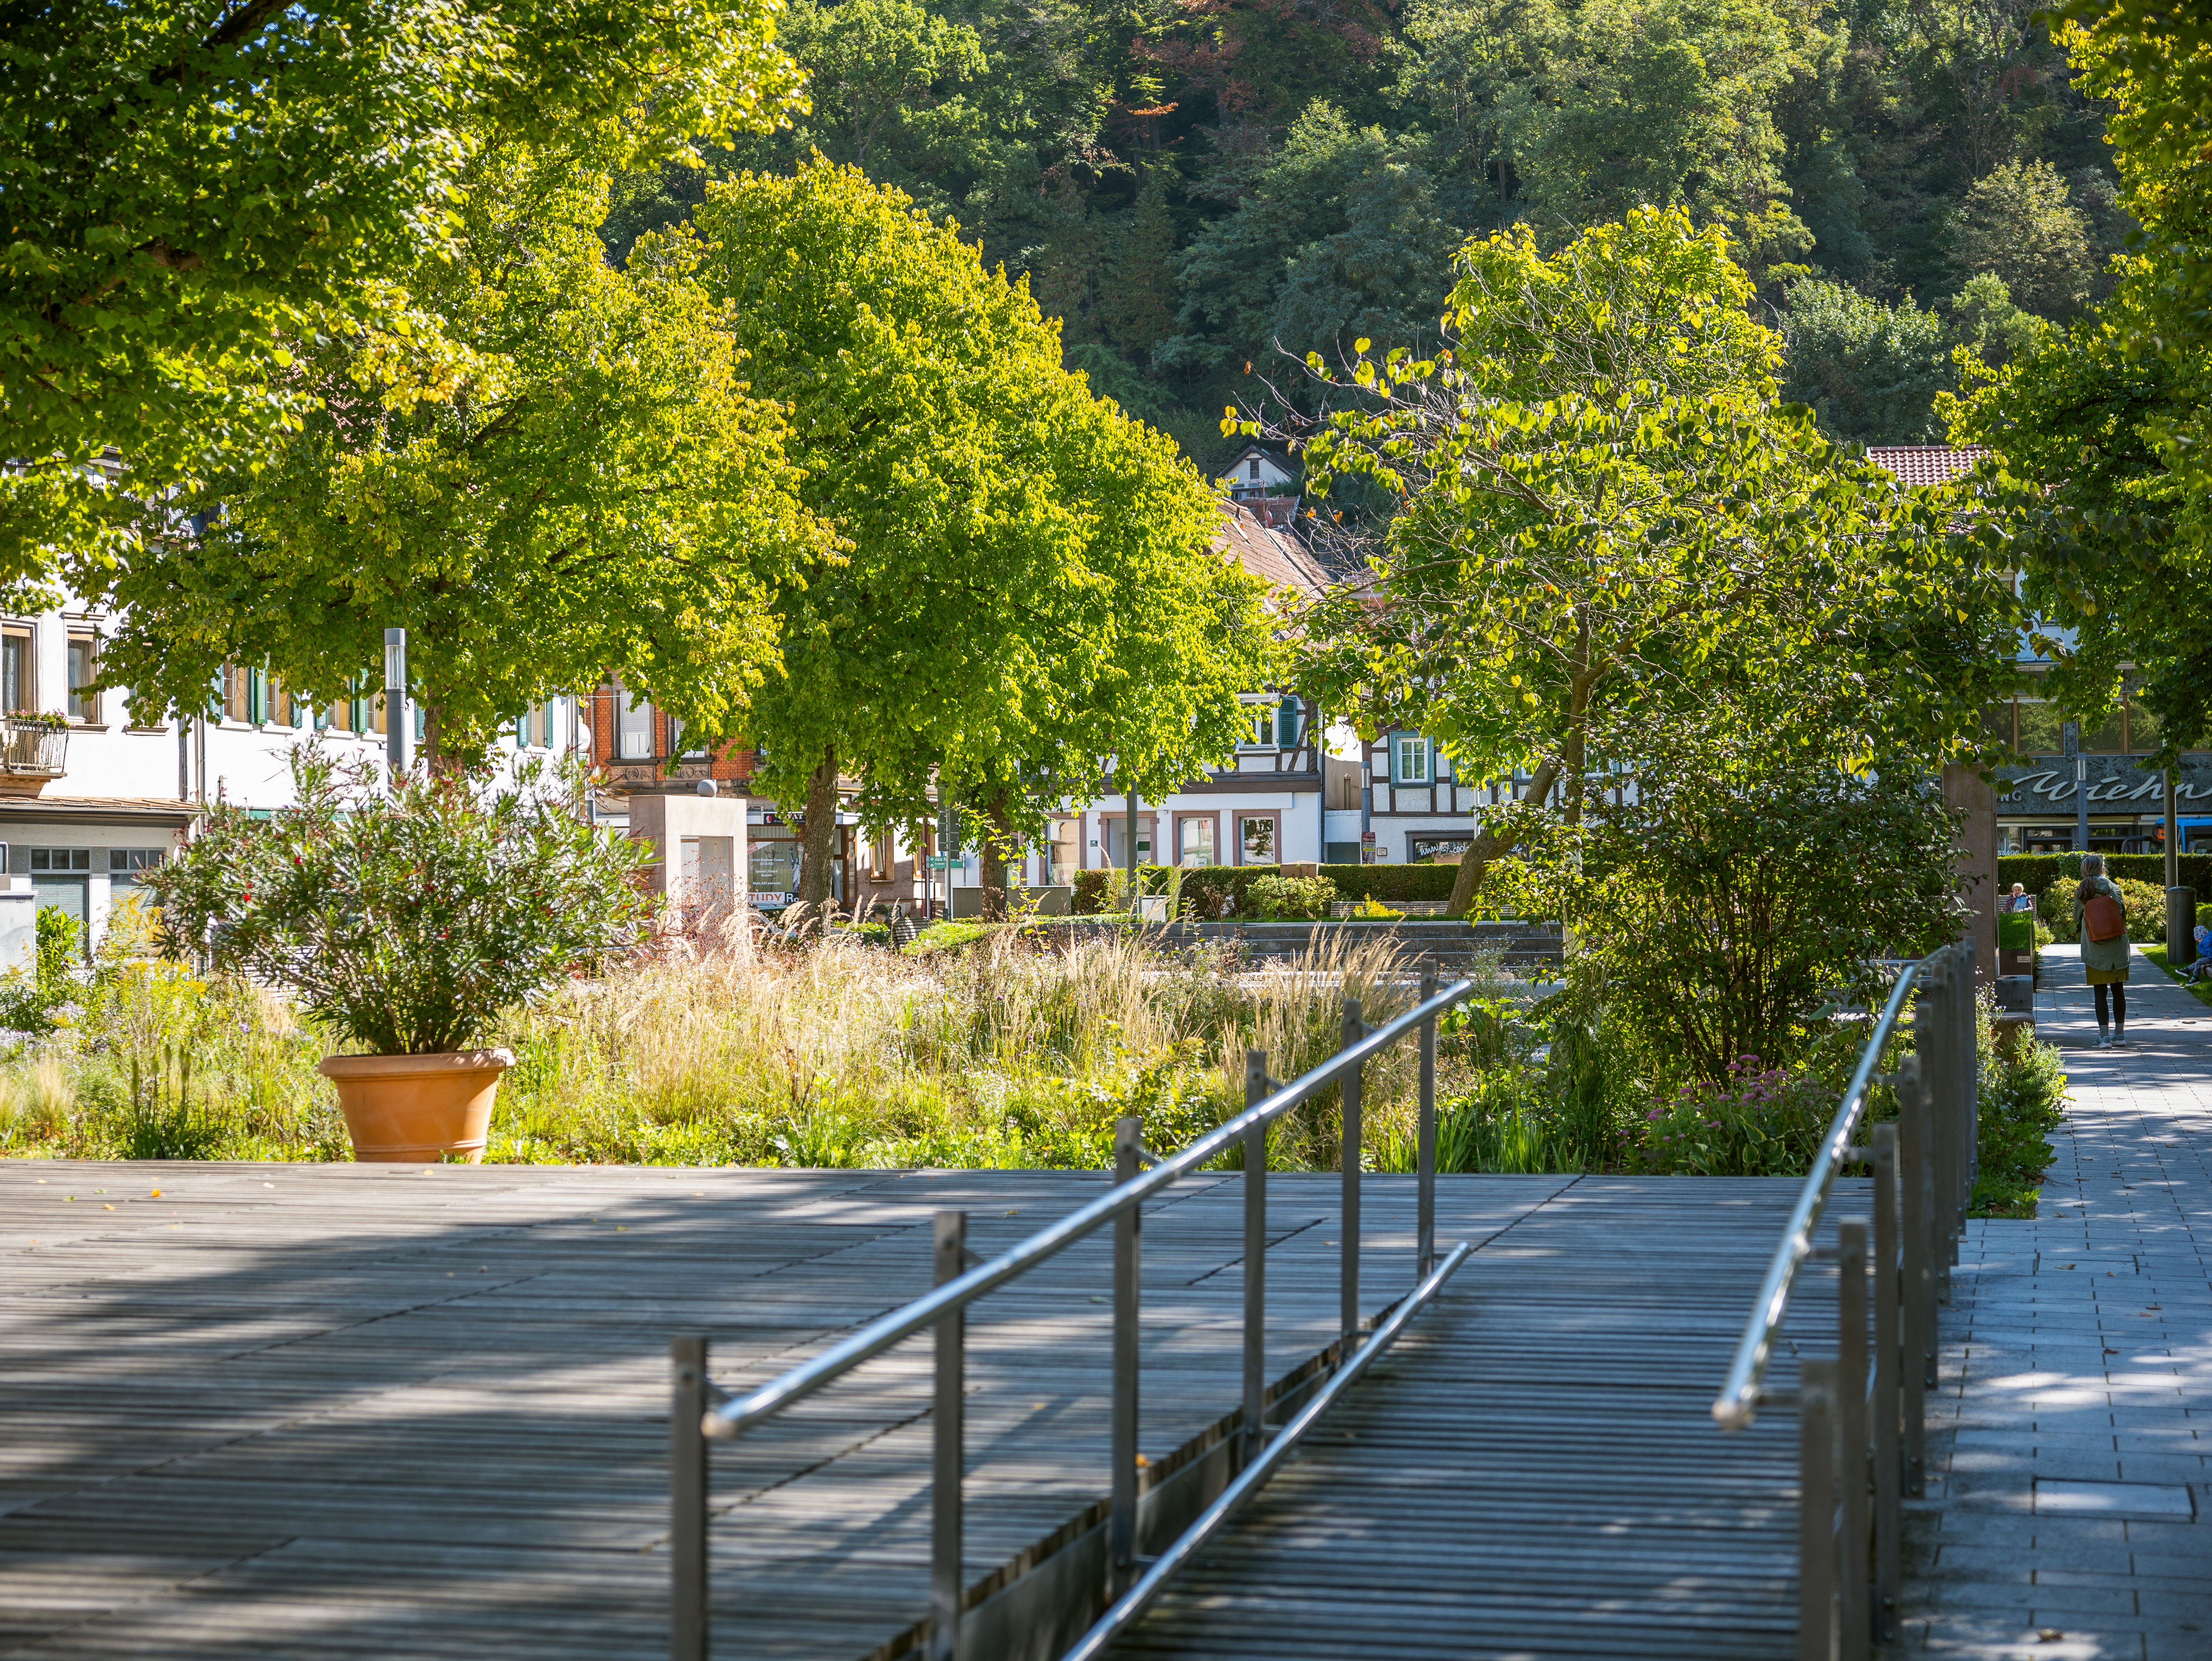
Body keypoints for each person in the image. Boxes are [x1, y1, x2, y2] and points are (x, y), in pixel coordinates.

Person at [2072, 854, 2131, 1047]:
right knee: (2118, 990)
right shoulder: (2115, 888)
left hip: (2094, 946)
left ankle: (2104, 1037)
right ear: (2103, 868)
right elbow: (2122, 912)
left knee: (2100, 992)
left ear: (2085, 870)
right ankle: (2120, 1035)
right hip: (2117, 946)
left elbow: (2076, 917)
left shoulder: (2082, 890)